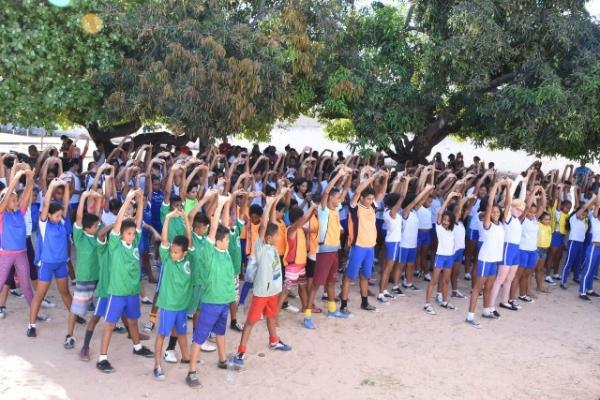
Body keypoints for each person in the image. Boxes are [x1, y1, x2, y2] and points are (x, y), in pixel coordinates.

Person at [96, 189, 154, 373]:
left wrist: (140, 199)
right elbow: (119, 222)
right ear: (120, 234)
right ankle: (102, 358)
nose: (130, 235)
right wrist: (128, 199)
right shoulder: (115, 244)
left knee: (133, 321)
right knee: (110, 324)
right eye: (127, 233)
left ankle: (137, 347)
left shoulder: (134, 242)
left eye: (131, 233)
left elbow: (137, 221)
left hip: (131, 292)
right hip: (118, 292)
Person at [234, 190, 292, 368]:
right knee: (251, 322)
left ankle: (274, 340)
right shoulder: (260, 247)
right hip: (261, 292)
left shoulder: (273, 247)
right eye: (275, 236)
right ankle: (241, 351)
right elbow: (266, 223)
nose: (278, 237)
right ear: (268, 237)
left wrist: (276, 200)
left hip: (273, 291)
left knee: (272, 316)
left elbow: (272, 221)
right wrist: (268, 205)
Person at [186, 195, 237, 386]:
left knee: (220, 333)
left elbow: (223, 226)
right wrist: (222, 203)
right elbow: (215, 229)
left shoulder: (224, 253)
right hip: (211, 303)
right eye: (225, 240)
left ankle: (222, 360)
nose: (228, 242)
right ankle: (191, 371)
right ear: (217, 241)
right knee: (199, 337)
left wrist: (226, 207)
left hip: (224, 302)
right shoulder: (209, 253)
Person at [305, 167, 352, 324]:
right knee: (317, 284)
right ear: (330, 198)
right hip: (324, 251)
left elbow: (345, 190)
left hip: (334, 250)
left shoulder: (336, 209)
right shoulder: (323, 209)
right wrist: (338, 174)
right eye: (337, 197)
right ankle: (307, 316)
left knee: (331, 282)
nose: (340, 199)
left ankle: (332, 310)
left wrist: (349, 175)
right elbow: (326, 191)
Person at [28, 178, 73, 340]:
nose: (60, 217)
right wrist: (52, 186)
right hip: (47, 265)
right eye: (57, 215)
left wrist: (66, 187)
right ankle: (31, 325)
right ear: (49, 215)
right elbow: (46, 205)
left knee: (66, 293)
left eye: (61, 215)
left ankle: (74, 316)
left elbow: (65, 204)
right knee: (39, 296)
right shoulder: (44, 224)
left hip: (61, 264)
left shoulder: (60, 221)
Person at [154, 208, 194, 381]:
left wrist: (185, 218)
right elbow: (164, 239)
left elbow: (189, 239)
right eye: (172, 250)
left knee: (182, 333)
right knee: (162, 334)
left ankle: (186, 357)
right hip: (169, 305)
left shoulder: (188, 259)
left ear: (184, 253)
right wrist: (168, 218)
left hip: (181, 306)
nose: (173, 253)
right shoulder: (168, 259)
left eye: (176, 252)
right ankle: (157, 365)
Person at [341, 170, 388, 314]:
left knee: (365, 276)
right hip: (358, 247)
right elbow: (357, 191)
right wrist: (372, 178)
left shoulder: (372, 206)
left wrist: (385, 178)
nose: (370, 201)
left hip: (370, 248)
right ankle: (343, 305)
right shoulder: (355, 208)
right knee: (349, 277)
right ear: (362, 198)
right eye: (368, 198)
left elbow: (381, 193)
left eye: (371, 199)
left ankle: (364, 302)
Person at [465, 178, 508, 328]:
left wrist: (508, 187)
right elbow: (490, 204)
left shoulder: (500, 225)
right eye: (493, 212)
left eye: (498, 211)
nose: (496, 213)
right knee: (478, 288)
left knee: (488, 287)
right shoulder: (487, 224)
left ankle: (486, 311)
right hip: (485, 259)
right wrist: (496, 187)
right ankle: (470, 315)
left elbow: (507, 205)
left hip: (494, 260)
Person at [66, 190, 103, 350]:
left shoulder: (95, 235)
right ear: (87, 228)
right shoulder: (80, 236)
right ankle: (69, 335)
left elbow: (98, 215)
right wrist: (83, 198)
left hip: (98, 277)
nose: (97, 227)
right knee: (76, 309)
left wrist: (99, 199)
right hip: (84, 278)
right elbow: (80, 218)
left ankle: (115, 324)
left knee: (103, 303)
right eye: (95, 226)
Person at [0, 165, 35, 320]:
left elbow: (27, 194)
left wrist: (29, 177)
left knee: (26, 285)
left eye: (16, 199)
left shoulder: (20, 212)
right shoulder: (1, 215)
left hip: (21, 254)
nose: (16, 201)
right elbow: (7, 196)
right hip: (6, 255)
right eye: (13, 199)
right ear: (5, 202)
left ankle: (35, 313)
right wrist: (15, 178)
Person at [423, 192, 461, 314]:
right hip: (440, 257)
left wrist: (461, 199)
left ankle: (445, 301)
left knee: (445, 281)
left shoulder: (453, 229)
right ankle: (427, 304)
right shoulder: (439, 228)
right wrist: (449, 197)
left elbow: (458, 212)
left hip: (449, 257)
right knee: (433, 281)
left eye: (447, 220)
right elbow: (440, 212)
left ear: (451, 222)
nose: (445, 222)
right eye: (444, 220)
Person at [378, 176, 410, 302]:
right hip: (394, 243)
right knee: (387, 269)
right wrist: (406, 182)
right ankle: (381, 293)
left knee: (387, 268)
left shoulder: (387, 211)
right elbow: (402, 197)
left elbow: (398, 196)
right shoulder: (392, 212)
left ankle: (384, 290)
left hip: (390, 241)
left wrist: (400, 183)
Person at [578, 195, 600, 301]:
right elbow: (597, 205)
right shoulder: (595, 221)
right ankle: (582, 291)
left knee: (593, 270)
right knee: (587, 270)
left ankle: (589, 289)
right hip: (593, 248)